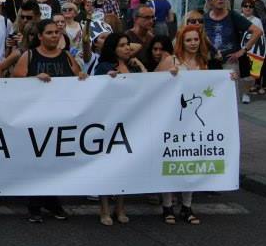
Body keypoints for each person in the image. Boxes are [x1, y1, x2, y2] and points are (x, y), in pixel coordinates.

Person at [12, 19, 87, 223]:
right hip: (35, 117)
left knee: (54, 162)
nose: (55, 35)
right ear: (40, 36)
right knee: (38, 160)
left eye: (57, 32)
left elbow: (78, 77)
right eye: (50, 32)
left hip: (61, 117)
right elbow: (14, 81)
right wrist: (34, 78)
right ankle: (37, 204)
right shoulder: (29, 56)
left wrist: (82, 77)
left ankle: (48, 200)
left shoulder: (66, 56)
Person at [155, 25, 223, 225]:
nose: (193, 43)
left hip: (193, 122)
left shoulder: (203, 63)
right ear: (181, 42)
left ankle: (187, 206)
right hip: (171, 119)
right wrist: (168, 77)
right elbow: (151, 84)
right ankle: (167, 206)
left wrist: (227, 79)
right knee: (170, 162)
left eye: (195, 39)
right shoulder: (171, 61)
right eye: (188, 40)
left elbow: (208, 88)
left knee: (190, 162)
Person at [92, 33, 145, 225]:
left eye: (127, 45)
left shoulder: (132, 65)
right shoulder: (104, 67)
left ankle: (121, 206)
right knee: (106, 165)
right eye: (122, 45)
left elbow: (149, 87)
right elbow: (95, 90)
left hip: (131, 121)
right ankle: (104, 207)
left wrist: (140, 66)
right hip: (109, 123)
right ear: (113, 48)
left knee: (126, 164)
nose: (127, 48)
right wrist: (107, 79)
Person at [204, 0, 263, 103]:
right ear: (209, 0)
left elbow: (257, 31)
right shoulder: (204, 18)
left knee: (230, 98)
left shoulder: (232, 16)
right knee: (211, 96)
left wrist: (242, 51)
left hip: (230, 62)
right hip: (210, 62)